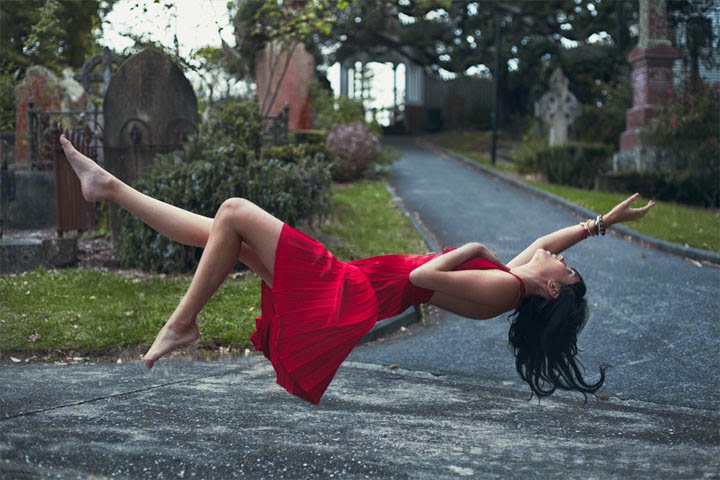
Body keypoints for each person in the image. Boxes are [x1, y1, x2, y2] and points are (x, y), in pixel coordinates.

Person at [59, 134, 654, 404]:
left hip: (348, 290)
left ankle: (183, 321)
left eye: (565, 268)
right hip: (352, 282)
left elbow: (422, 281)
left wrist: (470, 246)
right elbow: (544, 242)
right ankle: (110, 187)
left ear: (550, 288)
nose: (558, 256)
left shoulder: (503, 286)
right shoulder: (517, 280)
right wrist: (601, 223)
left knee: (234, 212)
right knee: (223, 233)